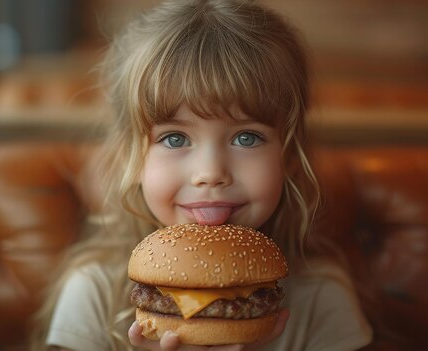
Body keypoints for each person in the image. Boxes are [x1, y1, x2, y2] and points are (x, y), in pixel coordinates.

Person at [31, 0, 373, 350]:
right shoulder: (94, 293)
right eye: (174, 138)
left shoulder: (322, 298)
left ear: (288, 157)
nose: (211, 173)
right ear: (130, 159)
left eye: (246, 137)